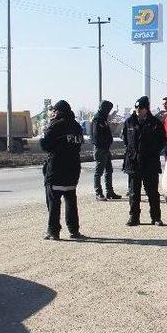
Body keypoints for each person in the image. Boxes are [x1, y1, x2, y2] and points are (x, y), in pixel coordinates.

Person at [40, 100, 86, 240]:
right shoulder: (77, 126)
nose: (52, 113)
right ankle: (74, 230)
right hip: (73, 169)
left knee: (54, 202)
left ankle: (53, 231)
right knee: (71, 201)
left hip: (56, 169)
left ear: (58, 111)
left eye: (54, 111)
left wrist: (45, 132)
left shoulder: (55, 125)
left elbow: (46, 145)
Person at [122, 96, 166, 226]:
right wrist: (132, 153)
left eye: (140, 108)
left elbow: (161, 141)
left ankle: (156, 217)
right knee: (134, 193)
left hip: (149, 163)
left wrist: (152, 152)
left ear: (146, 109)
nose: (137, 110)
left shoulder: (155, 123)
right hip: (134, 163)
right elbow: (125, 139)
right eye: (136, 107)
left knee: (152, 192)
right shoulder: (129, 122)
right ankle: (134, 217)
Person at [91, 100, 122, 201]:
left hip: (106, 148)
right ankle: (98, 192)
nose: (109, 111)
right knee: (99, 171)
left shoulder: (103, 118)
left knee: (109, 170)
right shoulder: (97, 119)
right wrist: (104, 143)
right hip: (100, 148)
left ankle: (110, 192)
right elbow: (97, 136)